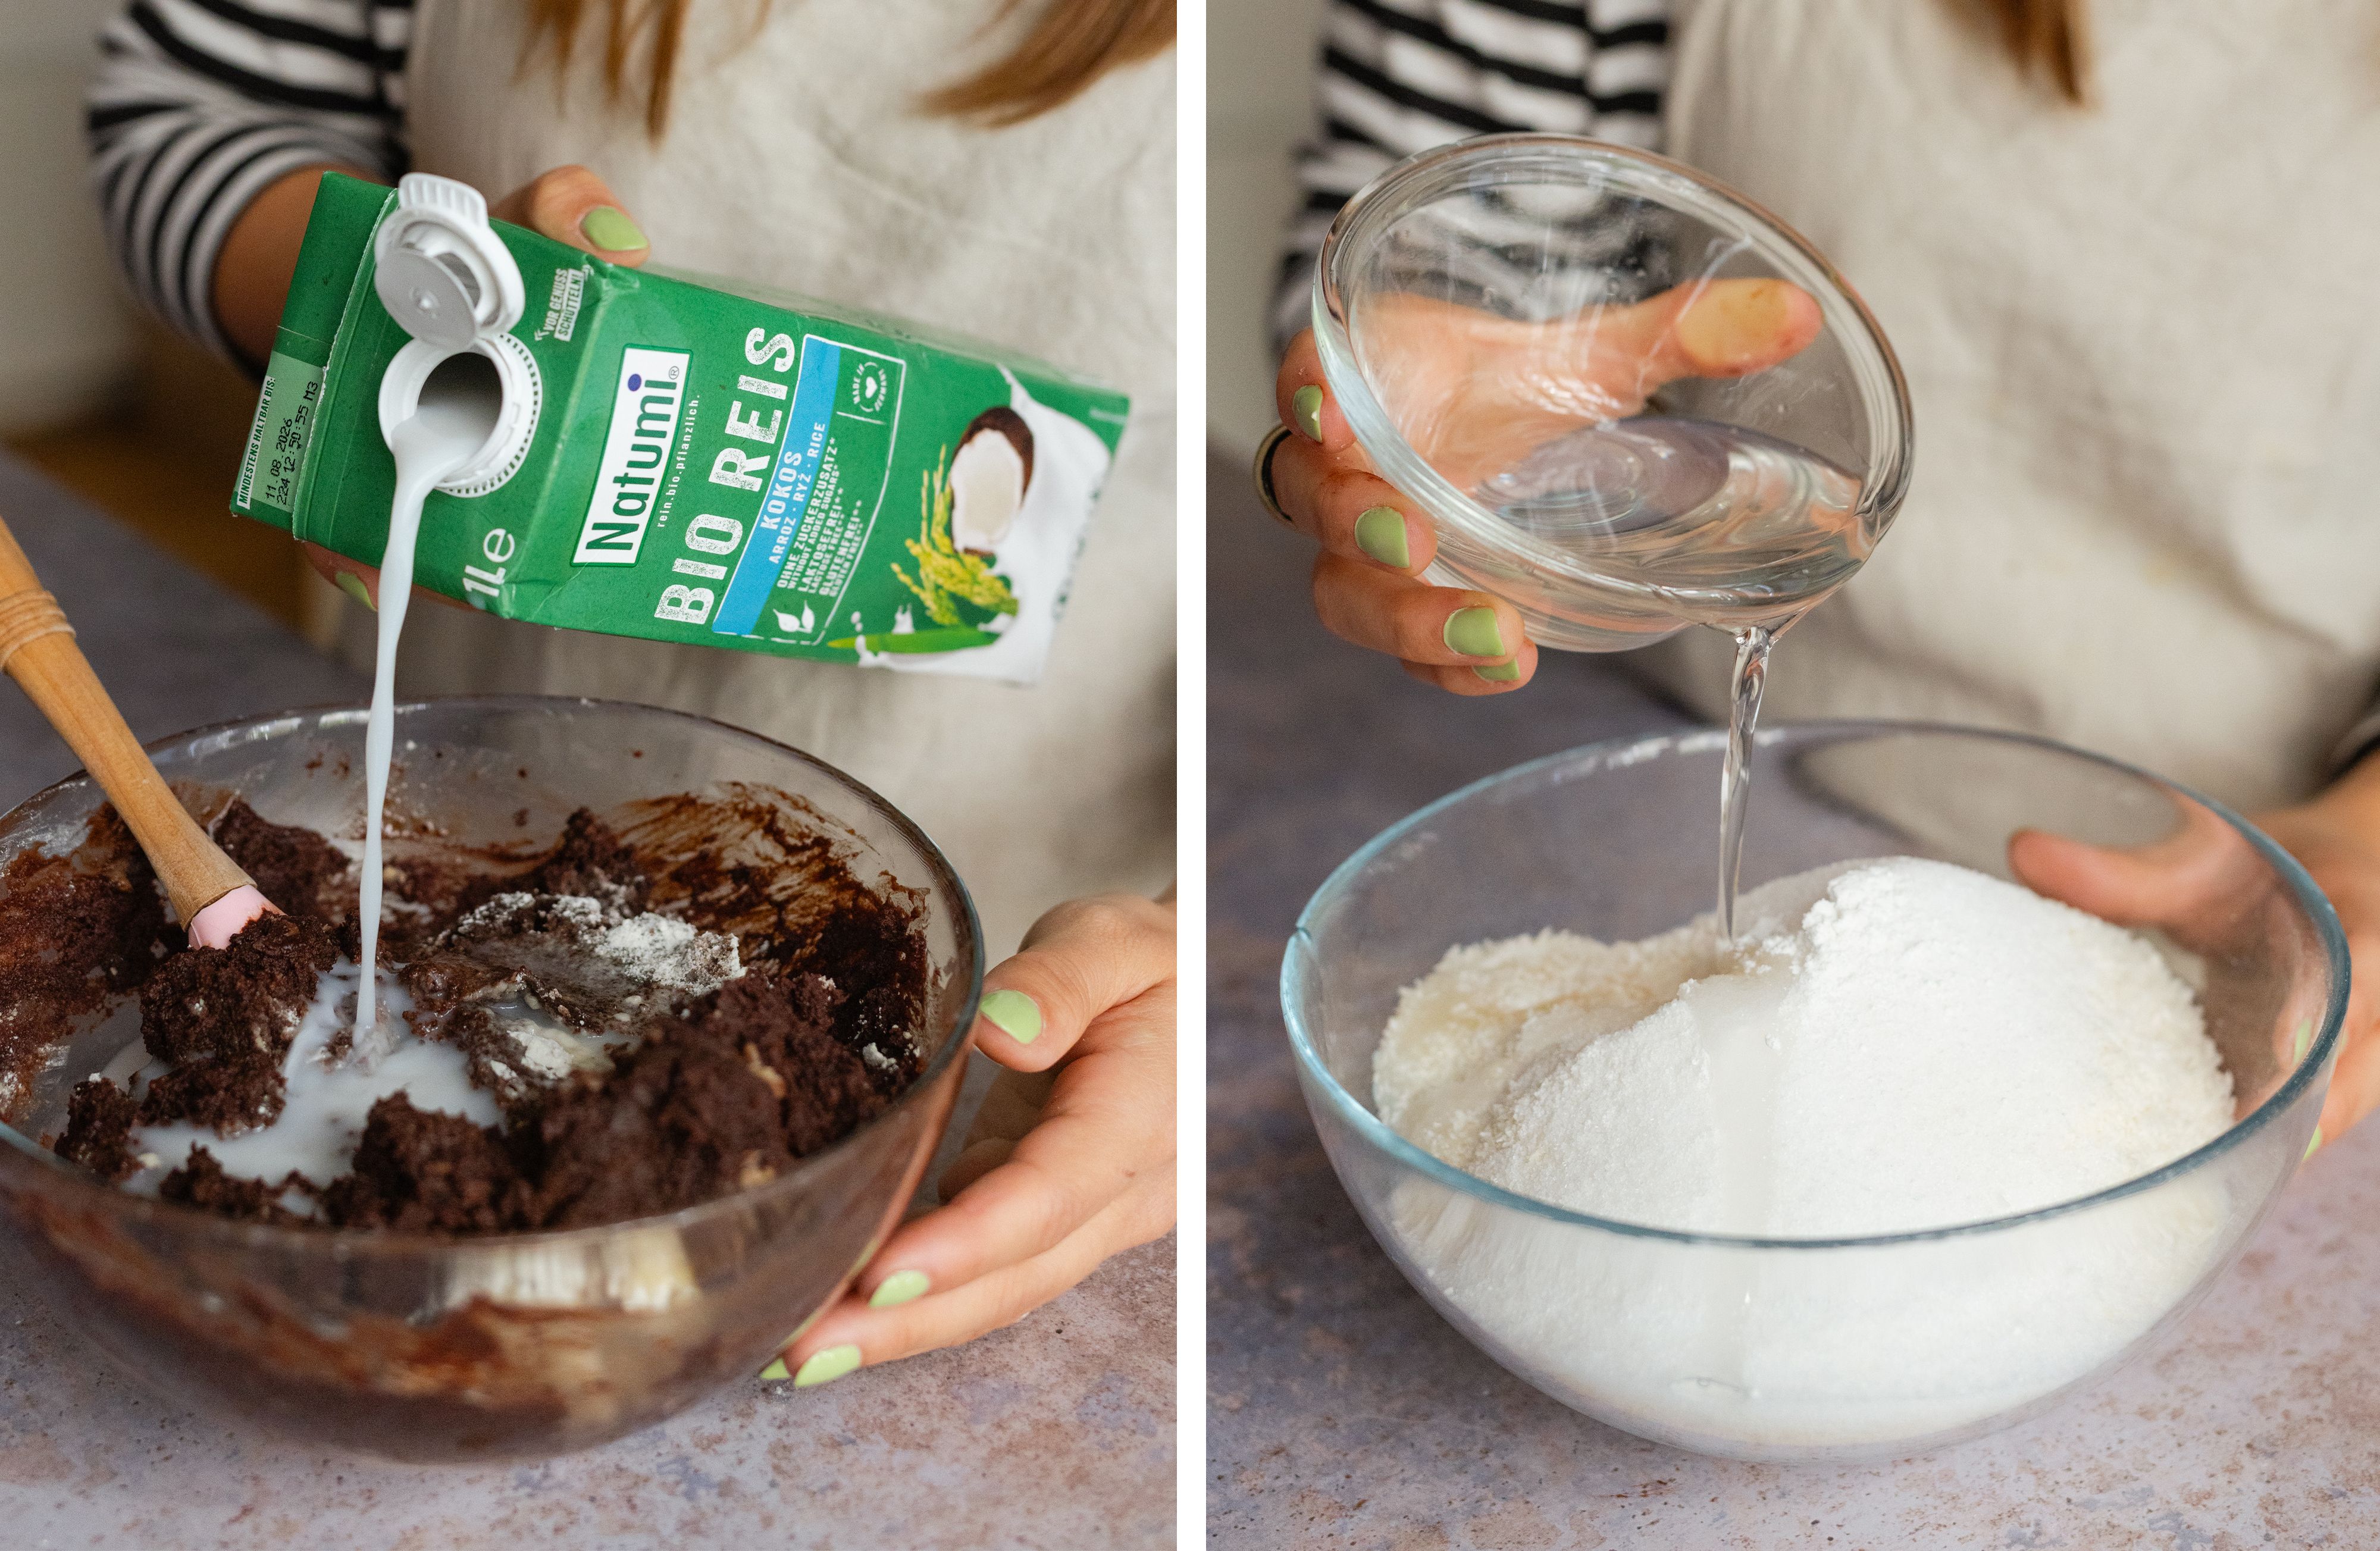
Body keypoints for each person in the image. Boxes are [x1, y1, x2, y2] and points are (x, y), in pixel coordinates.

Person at [89, 0, 1175, 1387]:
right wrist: (370, 303)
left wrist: (1190, 953)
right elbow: (181, 114)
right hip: (441, 823)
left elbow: (1397, 330)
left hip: (1048, 975)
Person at [1259, 0, 2380, 1146]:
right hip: (1648, 760)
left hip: (2270, 889)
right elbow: (1458, 223)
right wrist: (1433, 400)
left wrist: (2369, 832)